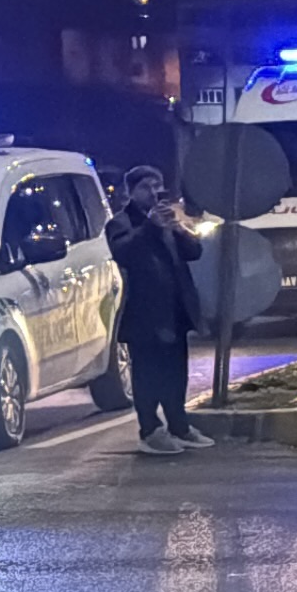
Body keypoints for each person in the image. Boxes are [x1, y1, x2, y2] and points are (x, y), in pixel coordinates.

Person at [106, 164, 209, 455]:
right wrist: (151, 226)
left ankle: (179, 426)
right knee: (148, 374)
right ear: (130, 192)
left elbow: (194, 252)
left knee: (176, 372)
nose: (152, 192)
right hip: (145, 315)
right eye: (145, 187)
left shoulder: (165, 220)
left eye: (156, 186)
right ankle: (150, 430)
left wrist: (178, 229)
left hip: (174, 311)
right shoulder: (121, 223)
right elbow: (125, 252)